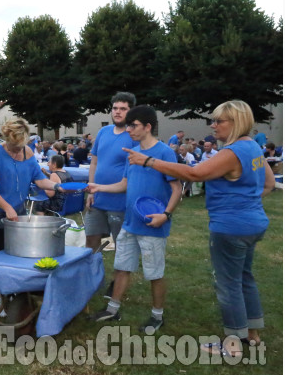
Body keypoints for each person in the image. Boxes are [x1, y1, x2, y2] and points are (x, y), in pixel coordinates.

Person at [123, 100, 274, 356]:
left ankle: (233, 345)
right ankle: (252, 334)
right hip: (253, 223)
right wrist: (244, 203)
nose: (212, 126)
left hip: (231, 227)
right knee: (245, 278)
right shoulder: (253, 147)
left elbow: (195, 174)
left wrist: (148, 161)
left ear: (236, 122)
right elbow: (268, 184)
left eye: (218, 121)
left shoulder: (233, 152)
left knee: (229, 284)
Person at [89, 106, 182, 333]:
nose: (129, 129)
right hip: (130, 222)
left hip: (152, 224)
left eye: (134, 125)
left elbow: (177, 187)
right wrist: (99, 187)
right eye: (128, 125)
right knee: (121, 267)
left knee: (154, 273)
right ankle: (112, 309)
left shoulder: (164, 153)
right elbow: (125, 185)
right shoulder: (133, 153)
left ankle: (157, 316)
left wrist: (166, 215)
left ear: (148, 127)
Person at [0, 119, 67, 316]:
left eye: (20, 146)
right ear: (6, 139)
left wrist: (57, 186)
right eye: (14, 147)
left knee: (16, 253)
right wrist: (6, 207)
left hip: (17, 210)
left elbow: (40, 180)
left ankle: (13, 291)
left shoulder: (28, 153)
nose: (17, 151)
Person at [85, 91, 138, 252]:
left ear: (131, 112)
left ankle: (120, 277)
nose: (117, 111)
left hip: (120, 201)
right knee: (91, 241)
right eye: (115, 108)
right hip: (97, 198)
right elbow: (94, 162)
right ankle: (92, 276)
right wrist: (91, 191)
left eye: (123, 108)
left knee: (122, 245)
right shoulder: (103, 132)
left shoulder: (134, 136)